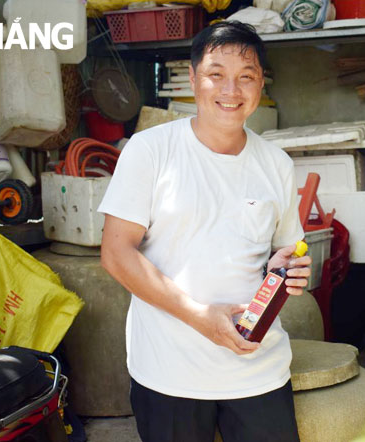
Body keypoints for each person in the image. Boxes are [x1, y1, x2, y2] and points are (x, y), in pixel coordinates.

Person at [98, 21, 312, 442]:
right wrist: (201, 318)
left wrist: (290, 268)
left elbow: (285, 251)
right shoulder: (151, 151)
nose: (231, 90)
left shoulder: (277, 164)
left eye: (245, 77)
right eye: (216, 74)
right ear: (193, 79)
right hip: (169, 372)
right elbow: (116, 254)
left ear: (260, 85)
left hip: (257, 368)